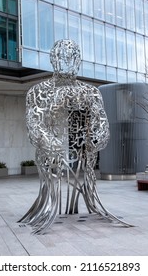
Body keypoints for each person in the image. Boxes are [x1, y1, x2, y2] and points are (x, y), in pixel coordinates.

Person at [19, 39, 130, 234]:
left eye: (72, 58)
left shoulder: (91, 92)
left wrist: (98, 136)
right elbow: (34, 124)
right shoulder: (37, 92)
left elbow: (101, 123)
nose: (67, 62)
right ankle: (48, 208)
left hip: (83, 164)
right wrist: (48, 141)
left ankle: (89, 204)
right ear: (53, 60)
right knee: (52, 173)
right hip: (51, 162)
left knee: (83, 173)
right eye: (62, 57)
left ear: (78, 61)